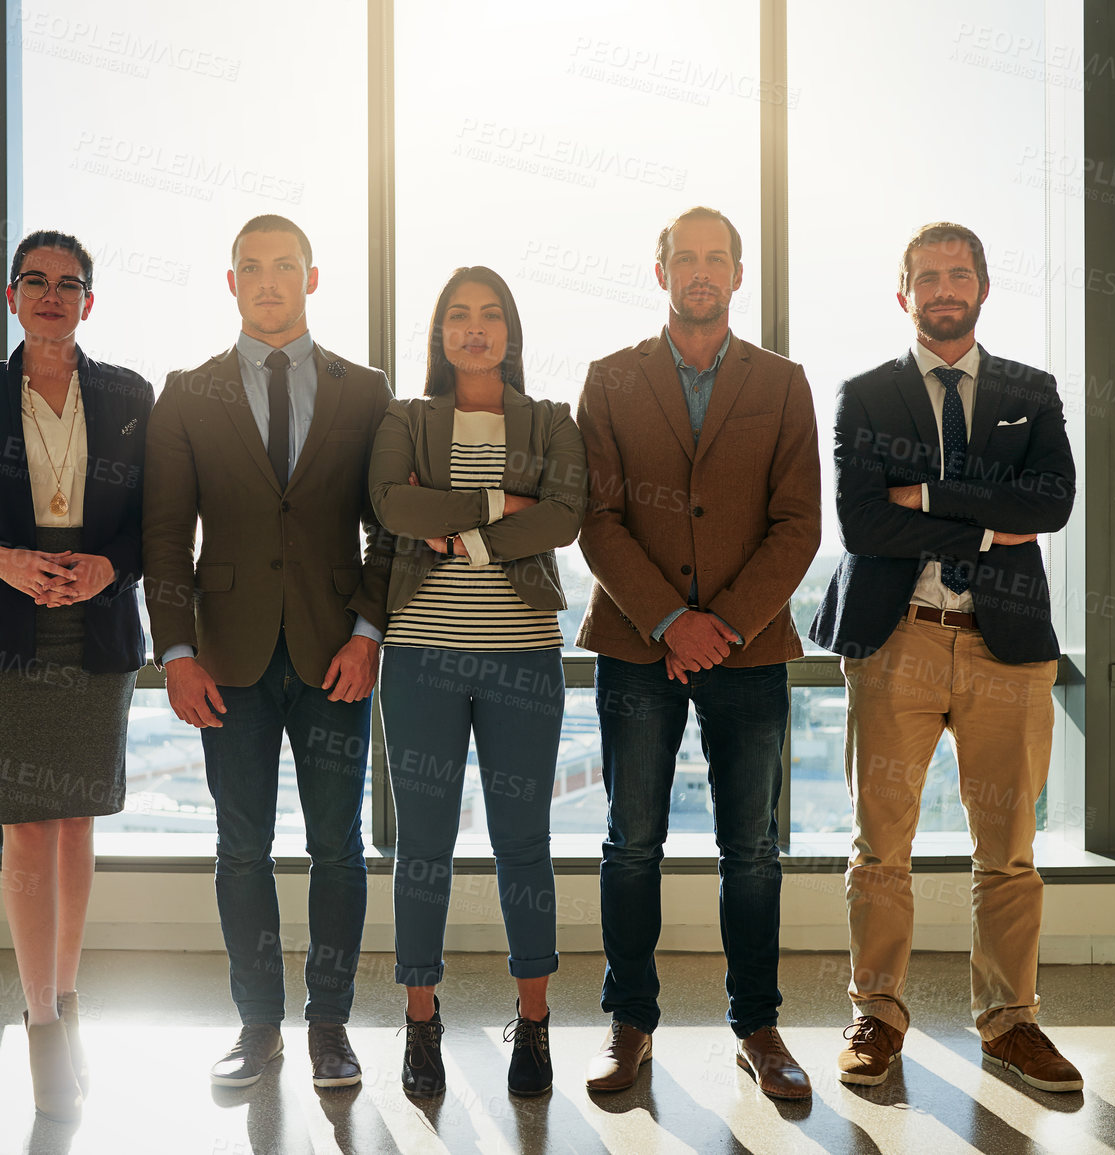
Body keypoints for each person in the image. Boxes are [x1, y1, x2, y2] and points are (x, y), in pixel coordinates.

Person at [809, 222, 1081, 1092]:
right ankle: (877, 1010)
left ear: (983, 287)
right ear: (903, 295)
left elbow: (1054, 502)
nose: (942, 289)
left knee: (1007, 847)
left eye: (956, 274)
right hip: (899, 637)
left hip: (1006, 646)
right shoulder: (864, 394)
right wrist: (990, 519)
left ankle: (1008, 1020)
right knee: (880, 843)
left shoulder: (1030, 391)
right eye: (925, 277)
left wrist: (925, 494)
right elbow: (861, 523)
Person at [143, 215, 394, 1090]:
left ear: (311, 278)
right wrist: (174, 650)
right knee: (240, 847)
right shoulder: (186, 392)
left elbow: (388, 532)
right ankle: (258, 1026)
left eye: (284, 265)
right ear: (232, 282)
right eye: (252, 267)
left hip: (336, 656)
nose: (268, 280)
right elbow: (166, 536)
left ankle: (329, 1025)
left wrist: (368, 634)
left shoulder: (366, 392)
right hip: (227, 662)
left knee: (338, 846)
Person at [576, 207, 820, 1099]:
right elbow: (595, 520)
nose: (701, 271)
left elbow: (799, 525)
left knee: (749, 850)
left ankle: (758, 1025)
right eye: (686, 257)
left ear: (738, 273)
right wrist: (669, 620)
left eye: (716, 258)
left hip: (748, 652)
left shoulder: (784, 383)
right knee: (629, 843)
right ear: (660, 270)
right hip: (637, 646)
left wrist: (718, 625)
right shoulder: (607, 379)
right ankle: (628, 1024)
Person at [0, 229, 153, 1123]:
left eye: (70, 283)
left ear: (89, 301)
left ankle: (69, 999)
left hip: (94, 629)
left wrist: (109, 570)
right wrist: (0, 560)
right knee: (27, 828)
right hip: (5, 632)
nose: (52, 294)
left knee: (76, 823)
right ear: (12, 296)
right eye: (36, 281)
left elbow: (156, 522)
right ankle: (42, 1024)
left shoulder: (132, 394)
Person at [367, 266, 587, 1098]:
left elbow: (564, 513)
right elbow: (391, 505)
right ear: (438, 332)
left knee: (521, 842)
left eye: (489, 314)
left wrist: (463, 527)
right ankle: (421, 1023)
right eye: (458, 314)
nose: (474, 327)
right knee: (421, 846)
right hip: (420, 655)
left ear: (510, 331)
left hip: (522, 656)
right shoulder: (406, 416)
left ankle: (533, 1024)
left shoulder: (551, 418)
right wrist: (503, 502)